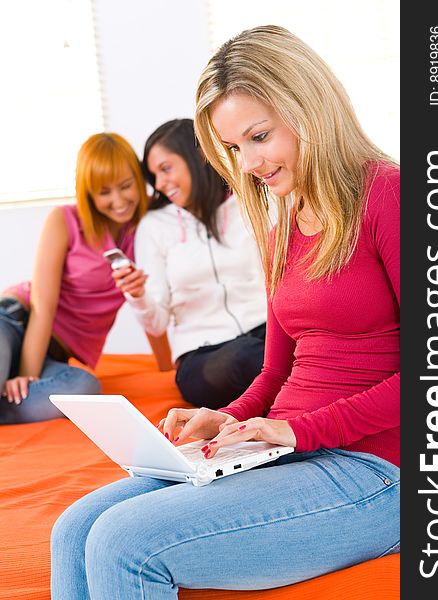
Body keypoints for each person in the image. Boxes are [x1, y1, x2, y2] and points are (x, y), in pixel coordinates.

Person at [50, 25, 400, 598]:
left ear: (308, 106)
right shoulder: (281, 217)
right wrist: (228, 419)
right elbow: (276, 372)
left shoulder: (392, 193)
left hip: (376, 471)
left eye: (259, 136)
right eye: (234, 149)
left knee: (122, 541)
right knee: (74, 530)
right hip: (289, 449)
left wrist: (297, 431)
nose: (251, 163)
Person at [113, 118, 267, 409]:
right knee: (253, 358)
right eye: (154, 175)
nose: (159, 184)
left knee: (295, 352)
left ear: (198, 155)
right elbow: (156, 323)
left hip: (265, 328)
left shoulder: (251, 202)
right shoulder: (155, 226)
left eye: (166, 168)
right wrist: (138, 296)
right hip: (204, 354)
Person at [0, 133, 148, 424]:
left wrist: (168, 366)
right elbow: (43, 305)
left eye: (126, 186)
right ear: (88, 192)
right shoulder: (64, 220)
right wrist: (27, 376)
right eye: (104, 192)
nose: (118, 200)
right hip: (14, 323)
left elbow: (150, 303)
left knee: (85, 387)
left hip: (53, 356)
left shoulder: (149, 227)